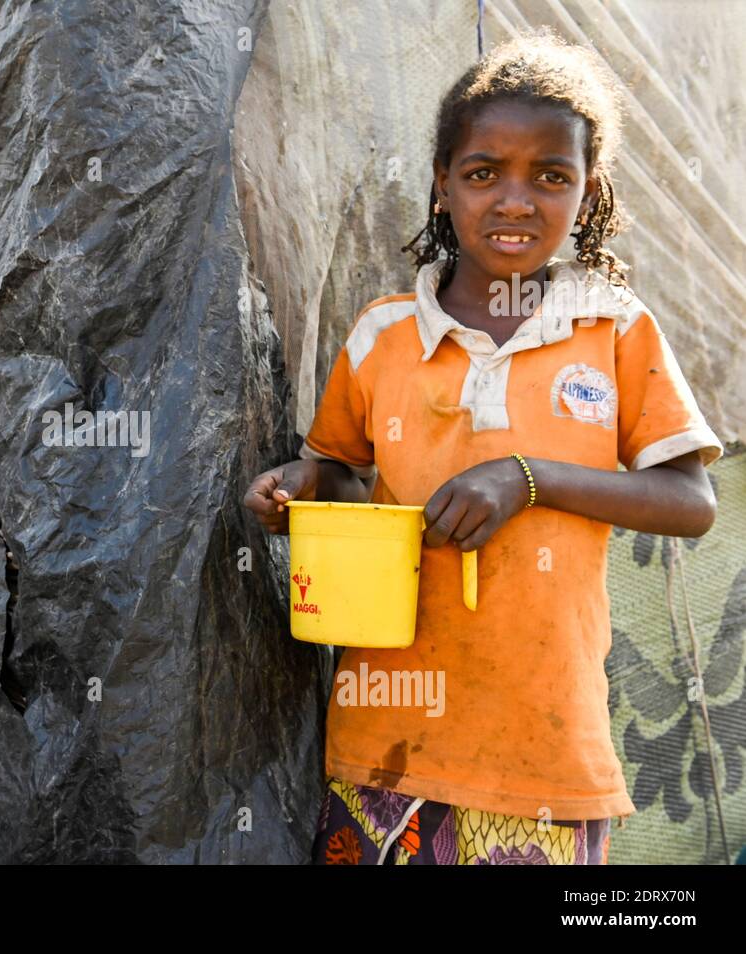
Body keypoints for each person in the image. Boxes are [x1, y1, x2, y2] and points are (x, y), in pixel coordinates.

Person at [244, 31, 721, 865]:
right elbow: (345, 480)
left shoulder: (613, 331)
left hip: (545, 756)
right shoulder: (384, 338)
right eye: (481, 173)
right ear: (442, 187)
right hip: (384, 745)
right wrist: (296, 489)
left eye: (551, 177)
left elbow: (690, 502)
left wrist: (529, 480)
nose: (514, 200)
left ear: (588, 193)